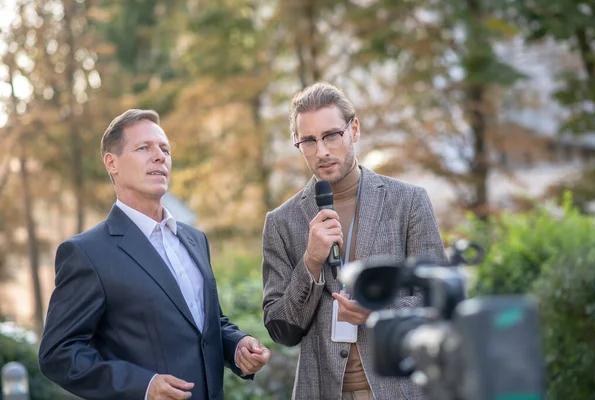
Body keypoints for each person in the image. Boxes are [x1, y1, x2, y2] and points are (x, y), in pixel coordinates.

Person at [38, 109, 270, 400]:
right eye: (143, 148)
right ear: (112, 163)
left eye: (165, 149)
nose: (159, 156)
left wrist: (237, 346)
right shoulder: (86, 253)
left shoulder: (195, 239)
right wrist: (142, 386)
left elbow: (205, 323)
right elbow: (57, 354)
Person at [261, 82, 446, 400]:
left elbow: (440, 299)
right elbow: (281, 329)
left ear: (354, 130)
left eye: (331, 135)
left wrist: (378, 313)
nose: (322, 152)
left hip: (402, 391)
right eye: (308, 141)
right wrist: (311, 261)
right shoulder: (281, 222)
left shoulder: (408, 202)